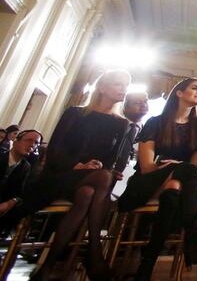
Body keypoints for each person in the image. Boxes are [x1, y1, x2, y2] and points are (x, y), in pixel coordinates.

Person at [21, 70, 129, 280]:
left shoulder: (121, 123)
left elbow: (110, 159)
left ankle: (48, 266)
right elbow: (54, 150)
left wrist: (102, 167)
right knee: (102, 179)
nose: (123, 89)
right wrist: (78, 165)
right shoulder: (75, 113)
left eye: (126, 85)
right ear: (103, 88)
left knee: (88, 193)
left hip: (91, 182)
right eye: (118, 84)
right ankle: (95, 252)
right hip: (62, 176)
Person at [118, 78, 197, 279]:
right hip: (148, 181)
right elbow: (146, 167)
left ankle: (146, 266)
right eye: (195, 88)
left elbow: (193, 167)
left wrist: (177, 169)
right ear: (179, 92)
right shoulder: (156, 122)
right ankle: (192, 235)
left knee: (174, 188)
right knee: (182, 174)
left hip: (180, 182)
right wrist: (172, 167)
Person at [0, 129, 41, 234]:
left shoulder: (26, 167)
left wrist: (11, 202)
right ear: (15, 141)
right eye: (28, 140)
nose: (32, 144)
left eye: (36, 143)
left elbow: (21, 193)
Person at [111, 92, 149, 199]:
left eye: (145, 101)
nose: (143, 105)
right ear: (125, 106)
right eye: (137, 102)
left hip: (128, 181)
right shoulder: (113, 123)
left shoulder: (147, 131)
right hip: (105, 175)